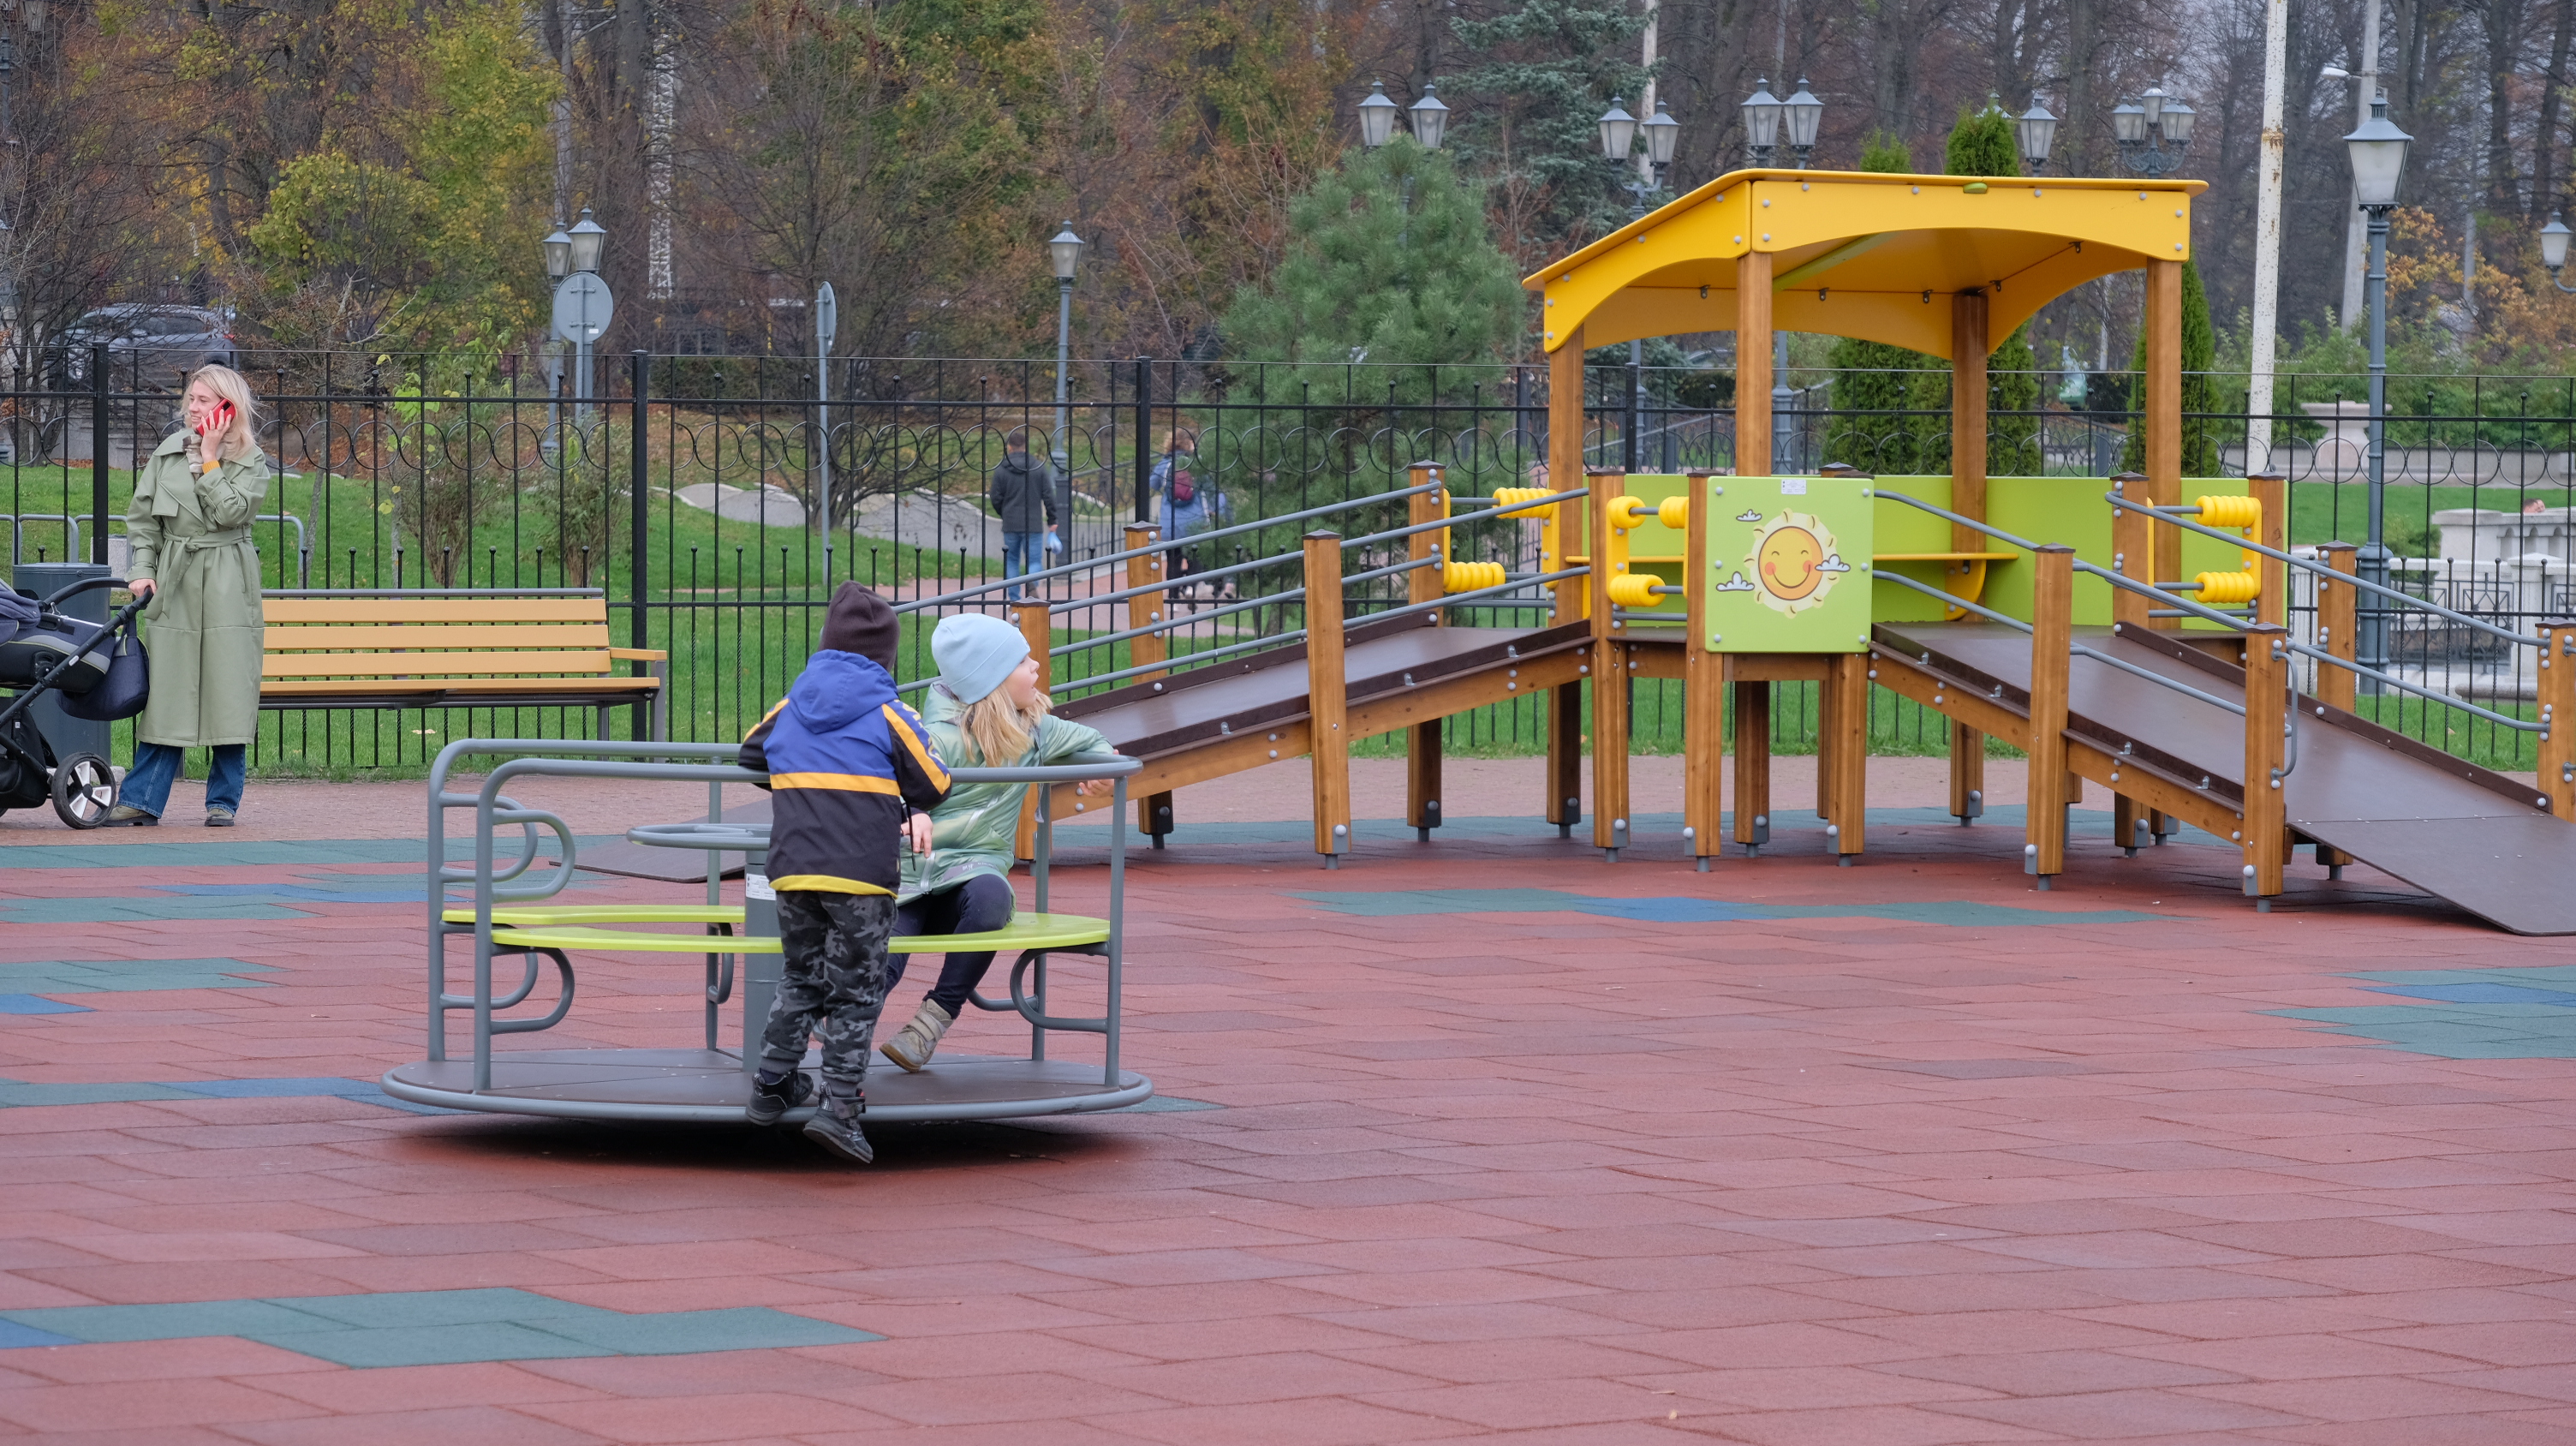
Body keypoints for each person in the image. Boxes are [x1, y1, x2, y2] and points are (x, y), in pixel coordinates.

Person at [739, 583, 952, 1163]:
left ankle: (771, 1083)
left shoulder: (791, 705)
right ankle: (840, 1108)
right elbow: (935, 781)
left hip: (793, 868)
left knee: (800, 977)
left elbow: (751, 755)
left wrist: (802, 780)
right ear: (887, 655)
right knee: (856, 991)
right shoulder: (889, 712)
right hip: (862, 874)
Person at [879, 613, 1117, 1073]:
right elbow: (884, 788)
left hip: (971, 875)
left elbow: (1094, 741)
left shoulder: (1035, 730)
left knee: (992, 897)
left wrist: (1102, 770)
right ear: (991, 680)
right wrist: (912, 809)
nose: (1036, 665)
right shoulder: (929, 737)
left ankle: (929, 1023)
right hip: (908, 878)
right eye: (1022, 661)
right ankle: (844, 1025)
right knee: (887, 946)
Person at [109, 364, 266, 827]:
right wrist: (142, 571)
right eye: (191, 399)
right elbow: (143, 523)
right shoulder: (168, 453)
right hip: (175, 580)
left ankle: (223, 801)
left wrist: (211, 456)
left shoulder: (252, 460)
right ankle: (142, 799)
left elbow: (231, 514)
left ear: (228, 407)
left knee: (228, 690)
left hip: (228, 580)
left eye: (204, 400)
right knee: (168, 690)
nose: (193, 408)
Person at [1149, 430, 1227, 605]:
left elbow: (1152, 484)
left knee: (1173, 560)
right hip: (1195, 520)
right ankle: (1191, 588)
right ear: (1189, 443)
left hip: (1171, 522)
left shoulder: (1165, 464)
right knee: (1196, 557)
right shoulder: (1196, 465)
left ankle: (1173, 598)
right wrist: (1217, 510)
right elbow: (1210, 489)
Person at [987, 429, 1058, 601]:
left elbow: (995, 497)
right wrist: (1052, 519)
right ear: (1025, 447)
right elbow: (1048, 495)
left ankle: (1014, 599)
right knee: (1034, 561)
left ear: (1009, 447)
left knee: (1012, 560)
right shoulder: (1038, 468)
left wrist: (1004, 512)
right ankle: (1031, 586)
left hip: (1011, 523)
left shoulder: (1002, 470)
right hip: (1033, 523)